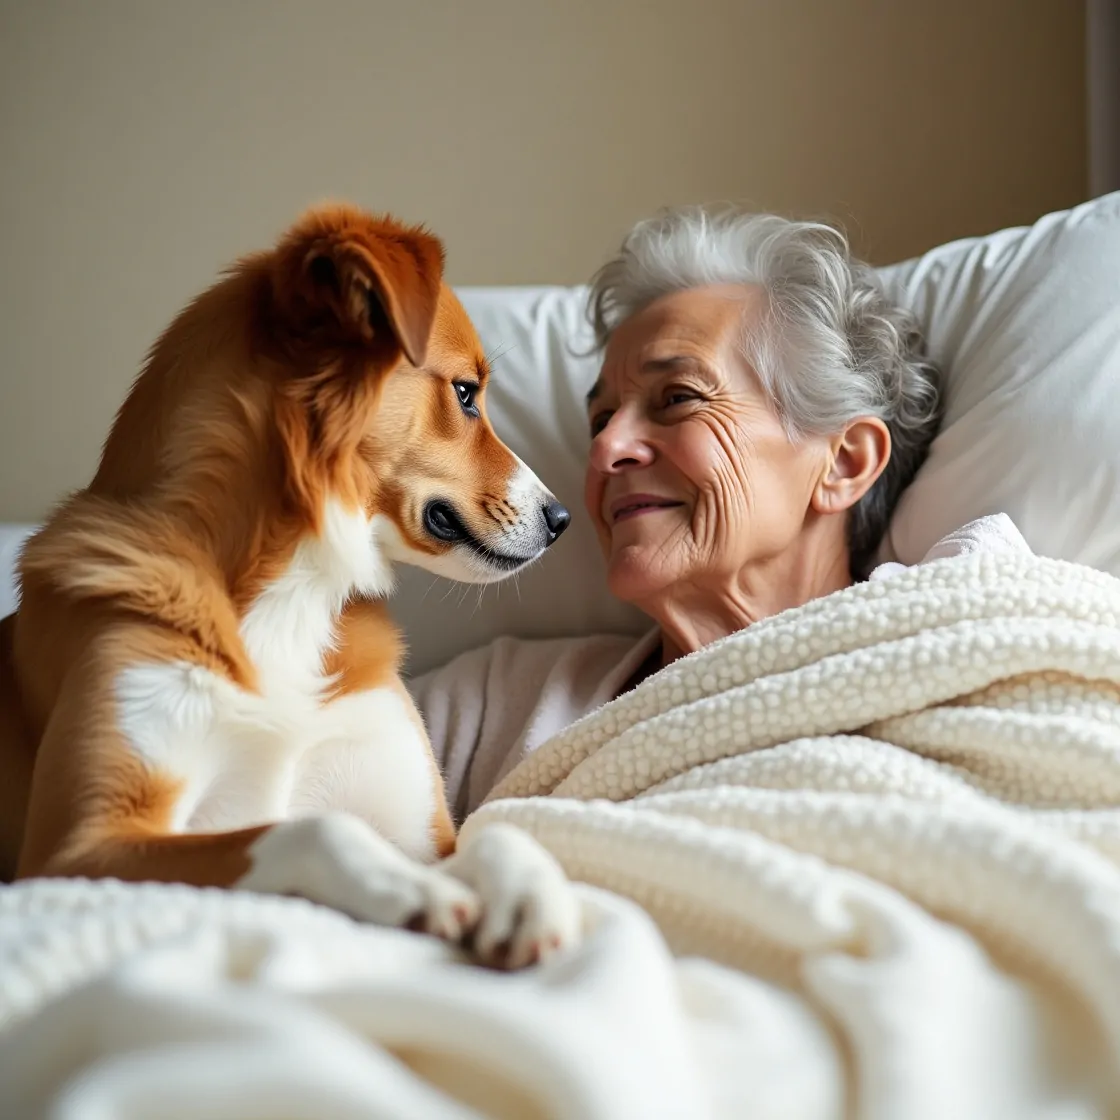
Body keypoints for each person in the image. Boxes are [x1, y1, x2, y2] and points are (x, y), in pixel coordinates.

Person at [411, 205, 962, 822]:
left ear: (844, 464)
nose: (604, 449)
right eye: (600, 420)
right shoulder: (492, 704)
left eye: (678, 398)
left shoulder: (955, 654)